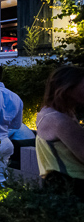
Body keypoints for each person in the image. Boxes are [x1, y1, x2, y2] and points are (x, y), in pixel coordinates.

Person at [36, 66, 84, 198]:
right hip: (73, 187)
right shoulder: (59, 120)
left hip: (56, 186)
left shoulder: (45, 113)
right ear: (67, 88)